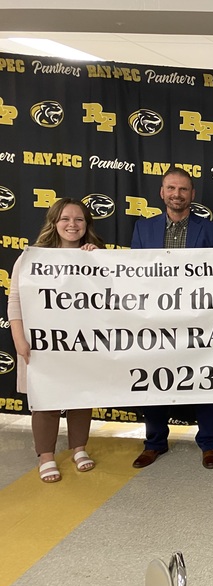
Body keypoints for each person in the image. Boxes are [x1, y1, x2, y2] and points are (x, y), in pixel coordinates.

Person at [130, 167, 213, 470]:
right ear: (162, 192)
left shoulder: (212, 230)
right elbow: (133, 275)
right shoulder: (143, 229)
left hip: (199, 319)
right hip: (155, 321)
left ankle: (209, 444)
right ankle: (154, 442)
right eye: (171, 188)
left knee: (206, 378)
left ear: (192, 195)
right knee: (153, 379)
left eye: (183, 189)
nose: (177, 194)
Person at [9, 198, 104, 482]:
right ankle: (46, 456)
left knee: (81, 396)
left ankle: (78, 448)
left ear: (86, 225)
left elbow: (112, 298)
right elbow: (15, 301)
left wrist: (99, 261)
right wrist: (19, 339)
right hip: (41, 343)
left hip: (83, 342)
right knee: (45, 398)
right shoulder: (31, 258)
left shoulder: (95, 256)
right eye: (65, 219)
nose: (72, 225)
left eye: (79, 220)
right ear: (54, 223)